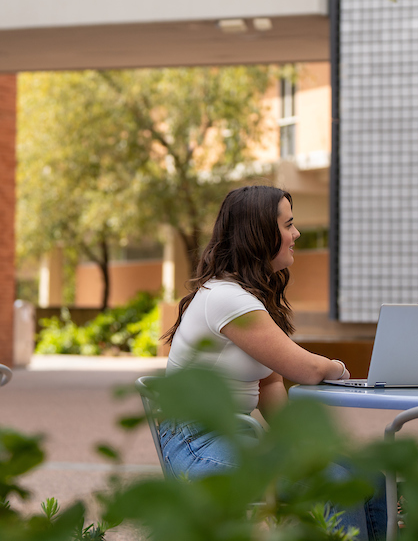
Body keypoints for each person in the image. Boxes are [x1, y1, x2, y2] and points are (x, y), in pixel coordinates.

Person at [160, 185, 386, 539]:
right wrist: (338, 367)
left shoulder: (245, 296)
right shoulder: (226, 298)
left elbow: (270, 383)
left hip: (235, 437)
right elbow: (307, 369)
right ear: (259, 233)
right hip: (197, 443)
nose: (296, 234)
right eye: (288, 225)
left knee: (368, 475)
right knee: (334, 485)